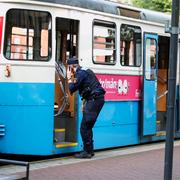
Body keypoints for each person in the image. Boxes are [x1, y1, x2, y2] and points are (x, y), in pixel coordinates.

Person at [67, 57, 105, 158]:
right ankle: (89, 151)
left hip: (94, 100)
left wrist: (69, 78)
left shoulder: (80, 74)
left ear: (72, 67)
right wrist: (84, 104)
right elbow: (87, 89)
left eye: (69, 67)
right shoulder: (85, 71)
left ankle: (87, 152)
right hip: (95, 100)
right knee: (88, 126)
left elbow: (72, 88)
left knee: (84, 127)